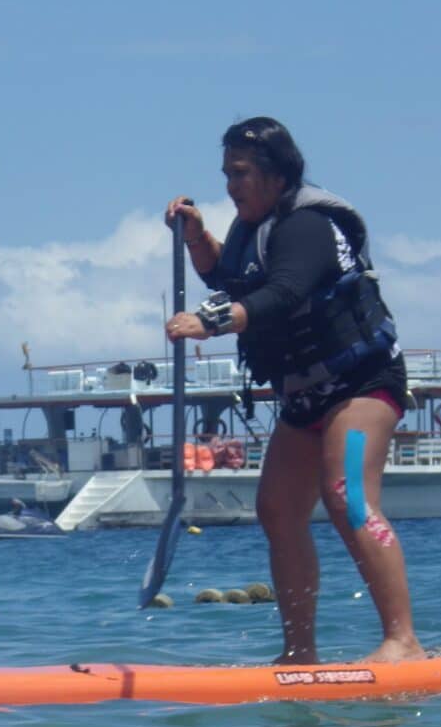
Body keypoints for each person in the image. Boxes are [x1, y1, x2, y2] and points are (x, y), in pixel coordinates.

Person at [164, 116, 425, 665]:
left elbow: (281, 294)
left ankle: (403, 642)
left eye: (240, 173)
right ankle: (299, 652)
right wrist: (196, 236)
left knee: (348, 498)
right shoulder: (247, 226)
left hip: (362, 387)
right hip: (305, 398)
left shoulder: (306, 227)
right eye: (226, 173)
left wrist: (208, 324)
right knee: (278, 510)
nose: (231, 185)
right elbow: (228, 276)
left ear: (276, 175)